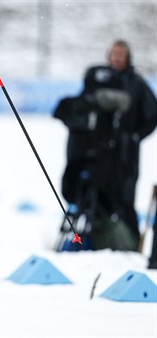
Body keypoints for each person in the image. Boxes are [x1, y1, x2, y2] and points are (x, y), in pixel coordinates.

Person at [54, 40, 157, 251]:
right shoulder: (99, 79)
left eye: (121, 54)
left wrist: (134, 137)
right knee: (91, 195)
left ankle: (129, 242)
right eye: (114, 54)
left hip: (124, 154)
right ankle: (91, 239)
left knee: (124, 199)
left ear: (128, 57)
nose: (117, 58)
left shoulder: (136, 84)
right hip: (98, 153)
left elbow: (152, 115)